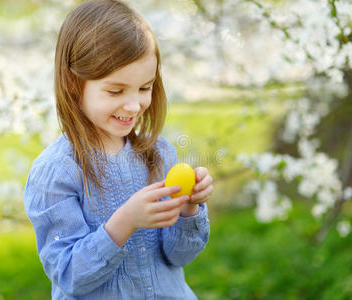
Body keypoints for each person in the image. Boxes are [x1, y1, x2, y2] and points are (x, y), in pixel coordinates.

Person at [24, 0, 213, 299]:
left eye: (145, 88)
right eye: (116, 90)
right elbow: (69, 275)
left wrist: (189, 207)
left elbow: (180, 256)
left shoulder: (159, 153)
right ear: (74, 84)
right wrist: (125, 222)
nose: (134, 105)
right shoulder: (56, 173)